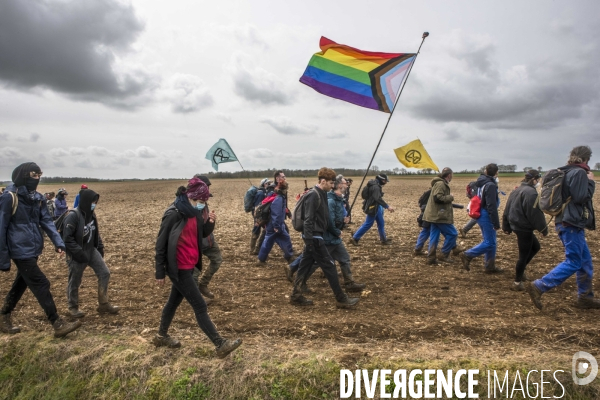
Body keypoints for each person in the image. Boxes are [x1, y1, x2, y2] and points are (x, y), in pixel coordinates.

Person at [154, 177, 242, 356]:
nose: (203, 205)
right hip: (179, 268)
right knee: (200, 306)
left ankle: (160, 335)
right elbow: (160, 243)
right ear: (191, 197)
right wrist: (159, 272)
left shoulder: (192, 212)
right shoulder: (174, 214)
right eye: (201, 201)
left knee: (173, 302)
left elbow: (200, 233)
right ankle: (220, 344)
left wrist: (210, 223)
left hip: (190, 264)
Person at [0, 162, 81, 337]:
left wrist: (59, 243)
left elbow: (46, 222)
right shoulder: (9, 197)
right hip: (18, 248)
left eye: (39, 175)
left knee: (21, 283)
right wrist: (3, 257)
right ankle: (57, 323)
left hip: (33, 247)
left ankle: (4, 315)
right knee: (41, 282)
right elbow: (2, 226)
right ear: (23, 176)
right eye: (34, 175)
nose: (37, 179)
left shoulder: (38, 198)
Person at [527, 146, 599, 310]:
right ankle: (540, 285)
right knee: (574, 261)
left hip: (566, 221)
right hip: (571, 222)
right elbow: (581, 197)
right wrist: (590, 182)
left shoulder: (565, 171)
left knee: (585, 261)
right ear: (587, 159)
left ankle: (585, 297)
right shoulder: (580, 173)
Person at [290, 167, 360, 308]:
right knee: (330, 266)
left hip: (315, 236)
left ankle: (295, 295)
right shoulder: (313, 195)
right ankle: (341, 299)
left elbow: (325, 218)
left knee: (304, 266)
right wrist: (309, 241)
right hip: (314, 238)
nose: (333, 185)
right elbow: (309, 219)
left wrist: (339, 226)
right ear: (323, 181)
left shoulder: (321, 193)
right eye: (331, 182)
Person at [63, 189, 119, 318]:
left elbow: (95, 233)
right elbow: (67, 238)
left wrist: (100, 247)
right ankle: (73, 308)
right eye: (93, 201)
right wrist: (78, 253)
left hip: (91, 250)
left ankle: (103, 304)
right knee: (75, 281)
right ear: (86, 201)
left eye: (96, 201)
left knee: (104, 273)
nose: (94, 204)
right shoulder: (73, 216)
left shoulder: (92, 214)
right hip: (77, 253)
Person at [502, 170, 548, 291]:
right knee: (523, 255)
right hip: (523, 227)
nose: (538, 182)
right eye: (537, 179)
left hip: (516, 224)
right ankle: (517, 282)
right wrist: (543, 228)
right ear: (533, 179)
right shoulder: (531, 193)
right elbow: (535, 213)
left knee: (535, 247)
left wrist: (506, 225)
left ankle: (521, 272)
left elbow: (507, 208)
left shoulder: (516, 190)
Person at [323, 175, 365, 292]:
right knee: (315, 261)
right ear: (339, 185)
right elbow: (329, 221)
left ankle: (349, 283)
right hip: (329, 237)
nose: (346, 184)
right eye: (344, 182)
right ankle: (298, 279)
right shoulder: (331, 201)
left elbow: (336, 218)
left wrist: (343, 220)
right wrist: (337, 231)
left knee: (344, 258)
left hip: (334, 237)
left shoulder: (338, 199)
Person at [460, 164, 503, 273]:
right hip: (486, 214)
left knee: (490, 241)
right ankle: (468, 255)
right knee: (490, 243)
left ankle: (490, 266)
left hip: (480, 212)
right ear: (496, 172)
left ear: (486, 171)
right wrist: (496, 222)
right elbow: (491, 206)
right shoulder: (491, 185)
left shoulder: (481, 182)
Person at [191, 175, 223, 300]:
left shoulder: (204, 201)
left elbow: (205, 225)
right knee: (194, 273)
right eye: (205, 187)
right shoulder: (190, 205)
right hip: (195, 244)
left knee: (217, 260)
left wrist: (211, 221)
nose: (207, 191)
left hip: (208, 241)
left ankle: (202, 285)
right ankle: (196, 297)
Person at [423, 168, 462, 265]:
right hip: (438, 215)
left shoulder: (438, 183)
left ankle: (431, 258)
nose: (452, 177)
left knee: (434, 236)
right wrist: (450, 197)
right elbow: (438, 198)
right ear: (449, 175)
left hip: (434, 215)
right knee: (453, 234)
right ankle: (444, 254)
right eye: (451, 175)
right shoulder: (441, 184)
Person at [257, 178, 295, 266]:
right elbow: (276, 214)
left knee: (285, 239)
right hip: (274, 225)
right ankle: (261, 260)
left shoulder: (280, 198)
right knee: (268, 242)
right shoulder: (279, 199)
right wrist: (276, 226)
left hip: (277, 224)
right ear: (284, 189)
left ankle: (290, 257)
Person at [350, 173, 395, 246]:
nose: (386, 183)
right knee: (368, 223)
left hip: (377, 207)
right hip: (373, 207)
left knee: (381, 223)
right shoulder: (376, 187)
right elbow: (377, 198)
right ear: (382, 180)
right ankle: (355, 238)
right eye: (385, 181)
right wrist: (387, 206)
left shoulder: (374, 184)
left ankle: (383, 239)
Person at [250, 178, 270, 254]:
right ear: (264, 184)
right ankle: (252, 250)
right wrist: (257, 218)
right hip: (258, 216)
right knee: (256, 230)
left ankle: (258, 248)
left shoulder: (264, 192)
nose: (269, 185)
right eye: (268, 183)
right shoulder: (261, 193)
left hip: (261, 215)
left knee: (265, 230)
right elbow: (257, 207)